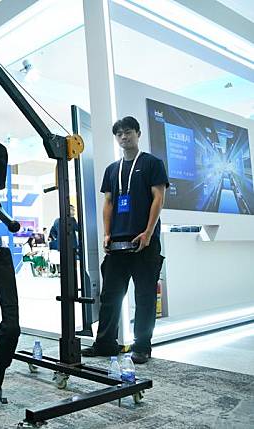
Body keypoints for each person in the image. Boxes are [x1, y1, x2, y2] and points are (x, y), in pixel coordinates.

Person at [82, 116, 168, 365]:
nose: (123, 137)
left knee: (144, 297)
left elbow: (158, 198)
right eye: (119, 133)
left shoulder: (152, 164)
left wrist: (149, 232)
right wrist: (107, 233)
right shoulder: (112, 169)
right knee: (110, 296)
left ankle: (142, 347)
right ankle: (105, 343)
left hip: (144, 242)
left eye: (128, 132)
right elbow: (108, 203)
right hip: (117, 244)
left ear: (138, 134)